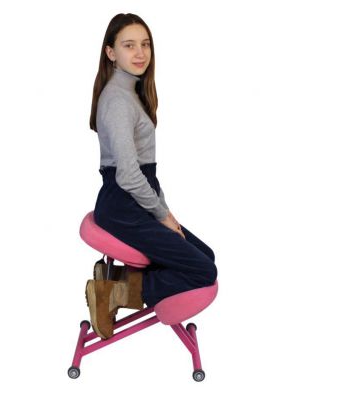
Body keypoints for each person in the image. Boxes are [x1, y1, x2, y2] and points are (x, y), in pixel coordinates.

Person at [85, 13, 217, 339]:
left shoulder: (131, 92)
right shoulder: (117, 100)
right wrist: (162, 215)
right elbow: (129, 175)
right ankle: (115, 291)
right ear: (111, 52)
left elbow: (147, 174)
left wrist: (165, 211)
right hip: (122, 205)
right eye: (129, 45)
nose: (140, 53)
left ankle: (120, 282)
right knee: (202, 269)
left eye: (145, 44)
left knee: (205, 257)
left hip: (135, 199)